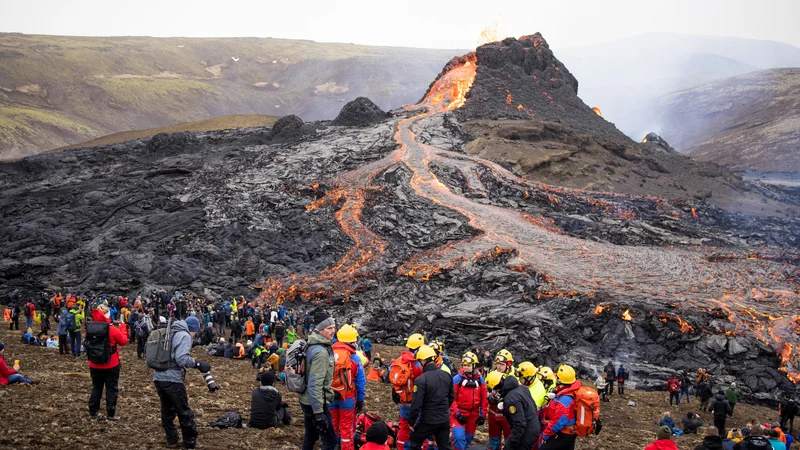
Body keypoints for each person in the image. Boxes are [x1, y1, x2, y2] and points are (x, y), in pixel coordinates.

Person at [152, 315, 211, 449]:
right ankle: (189, 443)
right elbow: (181, 359)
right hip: (172, 379)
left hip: (158, 377)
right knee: (184, 411)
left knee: (167, 410)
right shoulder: (184, 335)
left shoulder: (170, 332)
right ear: (193, 329)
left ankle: (172, 439)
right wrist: (198, 364)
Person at [299, 311, 338, 450]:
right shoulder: (321, 352)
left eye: (334, 327)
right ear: (320, 330)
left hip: (307, 400)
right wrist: (319, 413)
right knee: (330, 441)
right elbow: (315, 383)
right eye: (329, 328)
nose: (333, 331)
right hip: (316, 403)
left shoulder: (312, 344)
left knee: (311, 436)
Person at [406, 345, 454, 450]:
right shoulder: (447, 375)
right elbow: (451, 397)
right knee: (444, 446)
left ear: (424, 361)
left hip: (427, 420)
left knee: (414, 442)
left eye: (419, 361)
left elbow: (416, 404)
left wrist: (411, 422)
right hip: (444, 420)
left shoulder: (421, 380)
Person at [87, 304, 128, 420]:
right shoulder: (112, 330)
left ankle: (93, 411)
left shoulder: (90, 328)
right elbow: (123, 341)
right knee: (111, 388)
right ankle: (111, 413)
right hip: (111, 363)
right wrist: (123, 328)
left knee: (96, 387)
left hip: (94, 363)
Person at [330, 324, 367, 450]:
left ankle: (332, 446)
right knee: (347, 429)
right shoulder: (355, 358)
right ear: (353, 341)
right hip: (348, 398)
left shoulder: (329, 353)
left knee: (332, 426)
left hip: (330, 396)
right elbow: (360, 382)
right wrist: (360, 400)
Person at [488, 370, 540, 450]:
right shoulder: (522, 387)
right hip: (533, 425)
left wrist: (511, 443)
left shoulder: (510, 399)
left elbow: (519, 424)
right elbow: (533, 406)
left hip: (526, 431)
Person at [392, 333, 425, 450]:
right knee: (418, 429)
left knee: (403, 427)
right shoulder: (418, 365)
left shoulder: (399, 360)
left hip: (403, 400)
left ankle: (401, 447)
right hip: (416, 402)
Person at [539, 364, 583, 450]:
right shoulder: (570, 391)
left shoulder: (565, 399)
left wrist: (545, 435)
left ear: (560, 380)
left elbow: (559, 420)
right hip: (569, 432)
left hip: (564, 433)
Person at [451, 352, 488, 450]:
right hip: (459, 413)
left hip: (473, 414)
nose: (466, 368)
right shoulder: (456, 380)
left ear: (474, 366)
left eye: (468, 365)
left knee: (468, 438)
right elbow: (451, 399)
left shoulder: (480, 380)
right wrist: (457, 414)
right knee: (459, 438)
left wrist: (482, 415)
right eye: (464, 365)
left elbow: (484, 398)